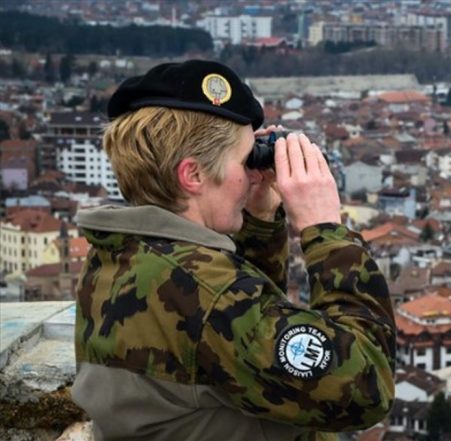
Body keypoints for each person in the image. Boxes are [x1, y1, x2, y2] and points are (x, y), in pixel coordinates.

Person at [71, 60, 395, 441]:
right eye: (246, 161)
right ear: (192, 175)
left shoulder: (123, 254)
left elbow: (245, 342)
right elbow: (367, 385)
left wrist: (258, 217)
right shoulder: (208, 296)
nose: (256, 172)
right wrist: (325, 231)